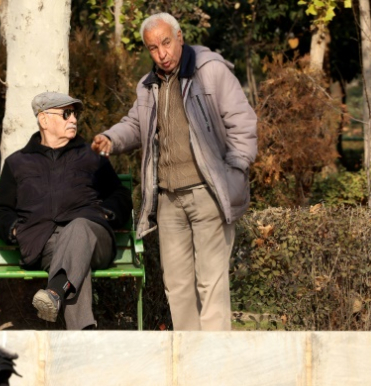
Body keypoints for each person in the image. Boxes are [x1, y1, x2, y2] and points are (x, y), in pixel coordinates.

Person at [91, 12, 257, 331]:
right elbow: (136, 125)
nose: (162, 53)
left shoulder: (210, 72)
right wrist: (110, 138)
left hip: (207, 194)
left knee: (210, 284)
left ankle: (215, 363)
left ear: (179, 37)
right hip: (167, 199)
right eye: (153, 48)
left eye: (166, 43)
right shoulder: (148, 85)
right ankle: (189, 364)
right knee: (177, 288)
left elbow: (243, 122)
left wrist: (234, 170)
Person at [0, 92, 132, 330]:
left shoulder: (91, 156)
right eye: (66, 114)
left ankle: (54, 292)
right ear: (44, 120)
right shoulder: (17, 163)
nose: (73, 119)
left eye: (75, 113)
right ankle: (82, 335)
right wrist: (14, 229)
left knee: (78, 228)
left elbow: (120, 194)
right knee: (73, 261)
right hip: (45, 242)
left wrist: (107, 213)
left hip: (93, 235)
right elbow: (0, 210)